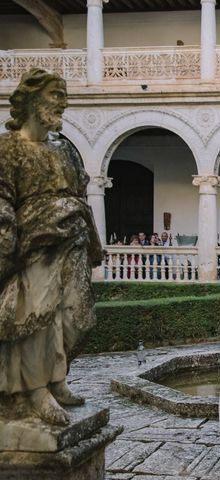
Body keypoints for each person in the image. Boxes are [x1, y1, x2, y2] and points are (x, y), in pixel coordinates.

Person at [0, 69, 103, 426]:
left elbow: (81, 197)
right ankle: (36, 390)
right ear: (29, 99)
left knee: (76, 317)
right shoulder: (8, 148)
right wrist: (6, 247)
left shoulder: (65, 148)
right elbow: (1, 201)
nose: (63, 101)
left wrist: (93, 242)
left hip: (72, 240)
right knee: (37, 319)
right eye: (54, 94)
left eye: (63, 94)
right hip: (34, 244)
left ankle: (57, 378)